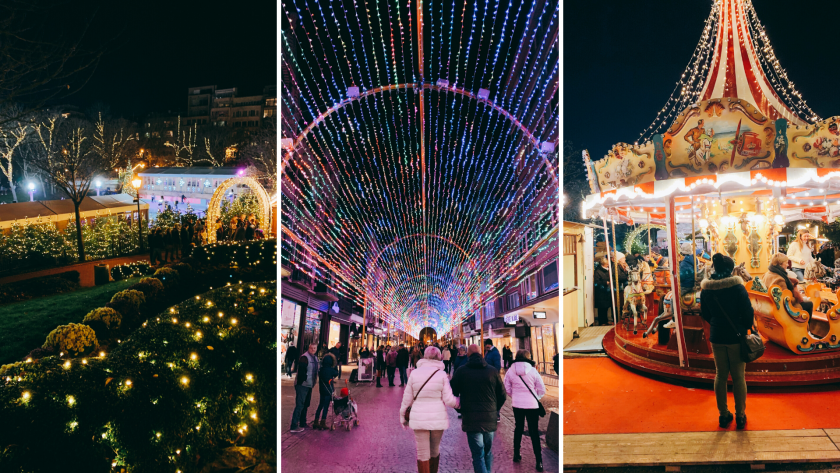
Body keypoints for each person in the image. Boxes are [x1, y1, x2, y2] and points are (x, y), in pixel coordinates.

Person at [699, 253, 754, 430]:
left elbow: (705, 313)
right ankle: (740, 415)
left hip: (716, 336)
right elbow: (747, 312)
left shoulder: (706, 289)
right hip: (735, 336)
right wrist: (743, 326)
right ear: (731, 269)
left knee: (720, 375)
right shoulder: (738, 287)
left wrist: (716, 323)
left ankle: (723, 415)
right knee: (738, 377)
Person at [399, 346, 458, 473]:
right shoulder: (442, 375)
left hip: (419, 418)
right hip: (437, 418)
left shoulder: (414, 373)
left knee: (422, 452)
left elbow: (407, 398)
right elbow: (449, 400)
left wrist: (402, 415)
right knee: (434, 450)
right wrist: (459, 403)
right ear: (439, 357)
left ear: (424, 357)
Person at [450, 345, 507, 473]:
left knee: (478, 454)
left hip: (471, 418)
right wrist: (494, 409)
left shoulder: (461, 371)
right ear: (481, 354)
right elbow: (503, 394)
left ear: (468, 355)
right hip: (489, 418)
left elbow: (452, 393)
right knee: (487, 452)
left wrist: (461, 409)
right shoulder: (492, 371)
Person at [504, 349, 546, 471]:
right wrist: (535, 397)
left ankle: (516, 454)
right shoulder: (533, 371)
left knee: (518, 428)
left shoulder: (510, 371)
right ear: (528, 357)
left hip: (517, 404)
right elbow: (541, 389)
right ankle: (539, 461)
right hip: (532, 405)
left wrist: (515, 396)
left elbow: (507, 387)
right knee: (534, 432)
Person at [290, 343, 319, 433]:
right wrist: (304, 379)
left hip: (310, 385)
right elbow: (302, 370)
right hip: (302, 385)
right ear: (308, 348)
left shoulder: (315, 358)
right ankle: (294, 425)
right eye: (311, 348)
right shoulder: (304, 357)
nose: (313, 349)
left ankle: (303, 422)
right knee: (300, 405)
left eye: (315, 348)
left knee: (305, 405)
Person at [313, 352, 339, 430]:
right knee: (326, 406)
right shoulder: (331, 370)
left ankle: (316, 420)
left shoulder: (321, 369)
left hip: (322, 389)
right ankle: (323, 421)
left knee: (320, 404)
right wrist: (335, 366)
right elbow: (336, 373)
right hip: (328, 390)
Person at [594, 256, 614, 325]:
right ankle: (602, 321)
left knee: (606, 307)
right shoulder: (598, 272)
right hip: (601, 292)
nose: (608, 265)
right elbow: (596, 282)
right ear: (603, 264)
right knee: (601, 308)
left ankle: (606, 320)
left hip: (606, 291)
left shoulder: (607, 270)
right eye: (606, 264)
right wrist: (605, 282)